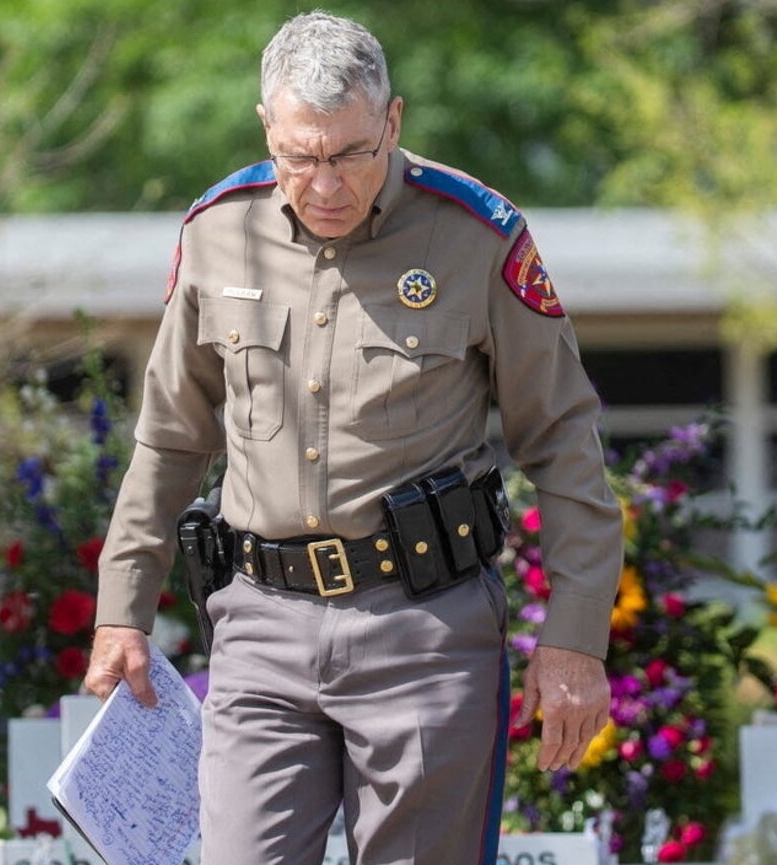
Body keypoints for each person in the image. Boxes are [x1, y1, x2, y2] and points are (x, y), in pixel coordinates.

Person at [82, 11, 623, 865]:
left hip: (424, 632)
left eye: (351, 154)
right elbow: (170, 438)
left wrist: (576, 638)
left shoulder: (476, 236)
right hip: (260, 627)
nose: (326, 183)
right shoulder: (217, 230)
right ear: (267, 128)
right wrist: (123, 610)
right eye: (300, 157)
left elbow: (562, 439)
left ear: (393, 123)